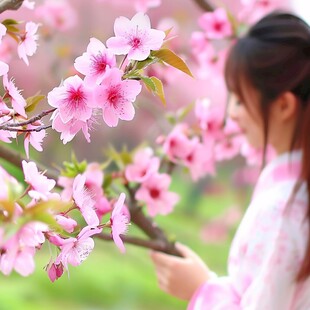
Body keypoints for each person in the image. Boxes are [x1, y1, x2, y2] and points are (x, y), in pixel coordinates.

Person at [150, 11, 310, 309]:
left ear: (284, 105)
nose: (232, 113)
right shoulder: (292, 193)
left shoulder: (285, 210)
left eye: (239, 97)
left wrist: (201, 289)